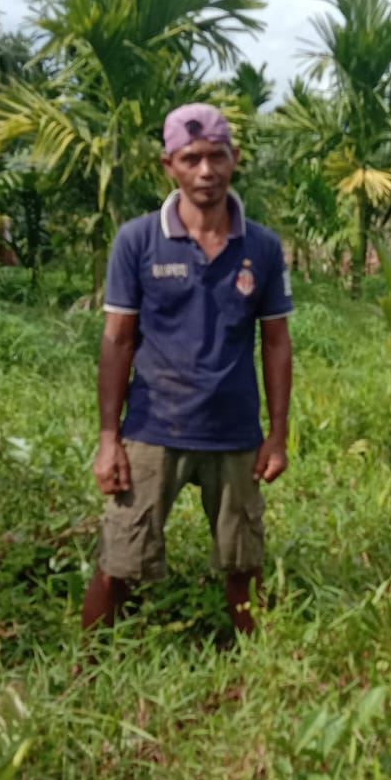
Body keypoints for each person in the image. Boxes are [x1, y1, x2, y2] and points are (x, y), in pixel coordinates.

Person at [83, 102, 294, 636]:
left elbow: (275, 343)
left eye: (217, 156)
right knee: (119, 561)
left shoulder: (262, 248)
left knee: (243, 564)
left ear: (235, 159)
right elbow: (117, 339)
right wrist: (110, 438)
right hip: (154, 427)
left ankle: (256, 672)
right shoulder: (137, 241)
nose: (206, 171)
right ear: (168, 165)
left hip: (234, 431)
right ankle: (86, 668)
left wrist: (278, 435)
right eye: (191, 158)